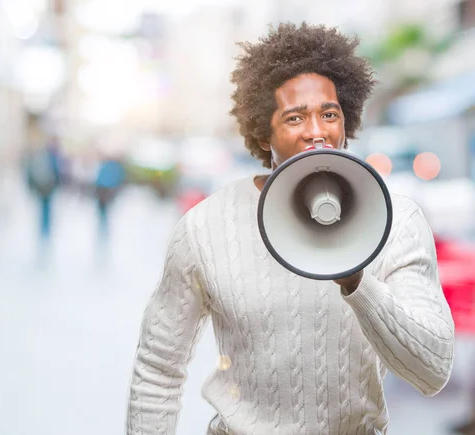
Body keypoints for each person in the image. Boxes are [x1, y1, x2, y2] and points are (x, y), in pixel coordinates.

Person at [126, 22, 455, 434]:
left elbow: (433, 370)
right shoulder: (205, 227)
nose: (316, 131)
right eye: (295, 117)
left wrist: (357, 281)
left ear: (345, 121)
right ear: (264, 134)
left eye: (329, 114)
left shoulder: (398, 221)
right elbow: (158, 369)